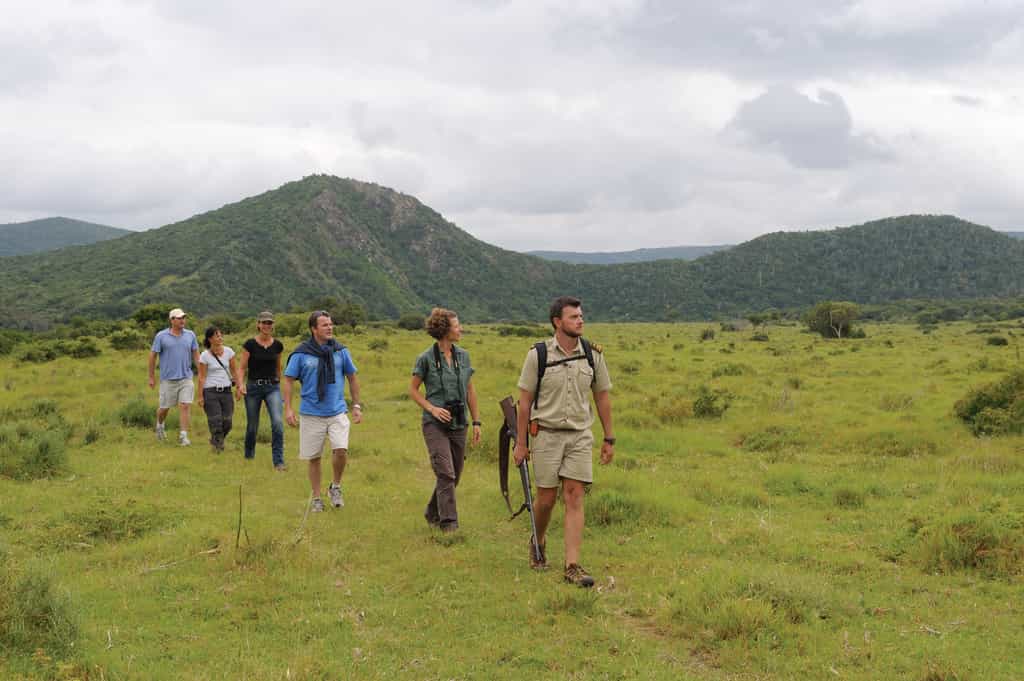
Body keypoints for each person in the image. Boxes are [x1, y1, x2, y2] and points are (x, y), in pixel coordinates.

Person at [513, 296, 615, 587]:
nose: (580, 320)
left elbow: (602, 397)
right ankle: (539, 539)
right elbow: (524, 403)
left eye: (581, 316)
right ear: (557, 322)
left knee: (574, 495)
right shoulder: (538, 355)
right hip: (546, 434)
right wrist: (521, 444)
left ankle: (572, 565)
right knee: (545, 499)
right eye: (573, 317)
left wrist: (609, 437)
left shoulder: (593, 355)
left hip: (580, 435)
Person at [408, 308, 481, 533]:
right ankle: (449, 525)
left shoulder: (464, 356)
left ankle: (432, 511)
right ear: (444, 329)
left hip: (459, 422)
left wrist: (477, 422)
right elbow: (413, 390)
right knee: (446, 473)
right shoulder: (426, 358)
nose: (461, 329)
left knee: (454, 474)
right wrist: (432, 408)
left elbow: (470, 390)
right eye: (457, 325)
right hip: (434, 424)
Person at [283, 310, 362, 512]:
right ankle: (317, 498)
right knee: (314, 457)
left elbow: (352, 377)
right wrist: (288, 408)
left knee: (341, 450)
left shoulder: (340, 351)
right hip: (311, 413)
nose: (330, 327)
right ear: (314, 329)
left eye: (331, 324)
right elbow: (289, 380)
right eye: (325, 325)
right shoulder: (301, 353)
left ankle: (335, 486)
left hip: (337, 411)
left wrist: (356, 405)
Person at [236, 311, 286, 470]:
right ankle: (249, 457)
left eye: (269, 323)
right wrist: (240, 384)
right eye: (264, 323)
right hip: (253, 387)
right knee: (252, 425)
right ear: (258, 324)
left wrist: (281, 388)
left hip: (272, 387)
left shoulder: (278, 345)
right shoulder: (250, 344)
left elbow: (279, 367)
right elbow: (242, 367)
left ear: (273, 326)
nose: (267, 325)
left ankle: (278, 462)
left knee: (278, 423)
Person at [148, 307, 201, 446]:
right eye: (179, 318)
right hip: (167, 379)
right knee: (164, 408)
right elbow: (153, 356)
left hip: (186, 377)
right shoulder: (161, 336)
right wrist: (151, 377)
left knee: (184, 405)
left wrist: (202, 371)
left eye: (184, 317)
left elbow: (196, 354)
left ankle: (183, 436)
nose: (182, 320)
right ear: (172, 320)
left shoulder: (190, 335)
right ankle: (159, 426)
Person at [197, 326, 238, 452]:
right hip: (210, 391)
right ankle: (218, 447)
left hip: (226, 391)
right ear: (210, 339)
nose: (220, 338)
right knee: (215, 421)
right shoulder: (204, 355)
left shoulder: (229, 352)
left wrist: (239, 387)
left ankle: (216, 440)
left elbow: (234, 371)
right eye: (217, 336)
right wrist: (200, 396)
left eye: (221, 335)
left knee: (228, 422)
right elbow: (202, 377)